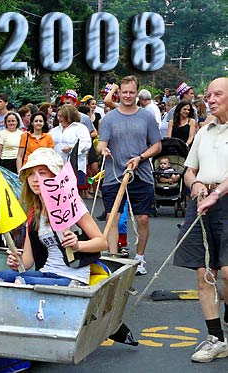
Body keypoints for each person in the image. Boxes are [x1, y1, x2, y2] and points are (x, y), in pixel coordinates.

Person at [0, 148, 107, 285]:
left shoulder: (71, 204)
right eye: (30, 174)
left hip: (73, 276)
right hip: (48, 271)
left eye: (42, 173)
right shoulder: (34, 213)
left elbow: (102, 243)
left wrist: (77, 245)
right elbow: (27, 262)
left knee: (22, 281)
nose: (35, 179)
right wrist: (16, 261)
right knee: (0, 277)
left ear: (54, 176)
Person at [174, 77, 228, 363]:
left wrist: (216, 193)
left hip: (223, 200)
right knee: (204, 272)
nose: (211, 98)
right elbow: (189, 169)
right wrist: (195, 185)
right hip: (202, 201)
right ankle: (216, 338)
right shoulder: (204, 132)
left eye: (218, 94)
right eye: (208, 94)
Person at [97, 75, 162, 275]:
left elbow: (157, 145)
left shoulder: (147, 117)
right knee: (112, 217)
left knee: (142, 218)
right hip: (114, 174)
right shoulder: (109, 118)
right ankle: (114, 259)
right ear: (119, 93)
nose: (127, 96)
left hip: (140, 174)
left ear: (137, 93)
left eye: (131, 92)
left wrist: (140, 157)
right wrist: (103, 151)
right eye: (124, 92)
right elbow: (101, 143)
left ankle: (140, 258)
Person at [50, 105, 91, 198]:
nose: (59, 118)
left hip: (75, 166)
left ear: (68, 116)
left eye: (61, 116)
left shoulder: (80, 128)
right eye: (58, 116)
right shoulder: (55, 130)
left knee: (74, 194)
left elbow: (86, 144)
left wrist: (72, 148)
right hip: (58, 166)